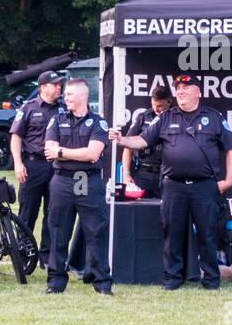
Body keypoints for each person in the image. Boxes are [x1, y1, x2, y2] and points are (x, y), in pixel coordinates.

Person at [111, 73, 232, 290]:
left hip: (204, 186)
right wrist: (121, 139)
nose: (180, 92)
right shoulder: (166, 117)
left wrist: (229, 180)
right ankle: (172, 278)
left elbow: (231, 150)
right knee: (172, 233)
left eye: (186, 88)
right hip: (173, 186)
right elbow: (141, 140)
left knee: (207, 233)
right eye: (178, 89)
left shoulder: (214, 117)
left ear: (198, 92)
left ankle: (211, 279)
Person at [43, 78, 114, 295]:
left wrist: (62, 153)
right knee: (57, 232)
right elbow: (49, 149)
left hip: (87, 180)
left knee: (96, 232)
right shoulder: (56, 120)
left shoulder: (98, 122)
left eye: (70, 95)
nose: (66, 99)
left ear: (83, 96)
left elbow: (93, 153)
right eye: (65, 95)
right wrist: (77, 154)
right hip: (62, 180)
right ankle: (55, 282)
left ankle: (101, 283)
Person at [10, 70, 64, 270]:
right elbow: (16, 137)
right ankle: (23, 254)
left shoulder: (63, 109)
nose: (59, 87)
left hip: (57, 166)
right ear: (42, 87)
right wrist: (17, 163)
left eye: (60, 84)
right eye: (55, 84)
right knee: (27, 212)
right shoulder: (28, 108)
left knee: (53, 212)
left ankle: (46, 256)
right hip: (32, 165)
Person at [121, 83, 174, 197]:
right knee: (139, 211)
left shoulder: (176, 118)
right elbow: (128, 145)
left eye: (159, 106)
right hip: (143, 172)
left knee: (167, 211)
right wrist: (126, 174)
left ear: (169, 102)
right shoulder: (143, 117)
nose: (156, 109)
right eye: (153, 104)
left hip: (167, 174)